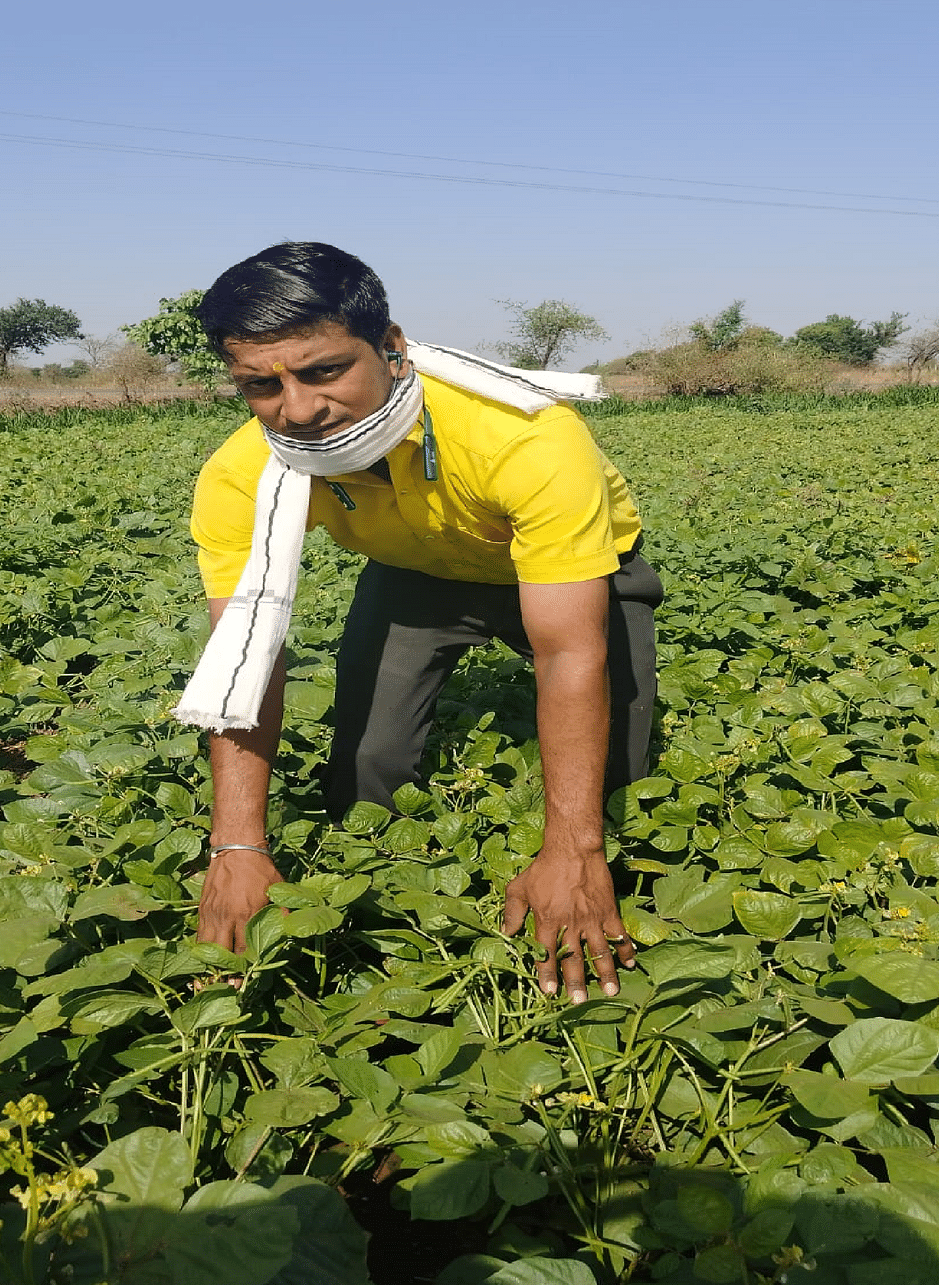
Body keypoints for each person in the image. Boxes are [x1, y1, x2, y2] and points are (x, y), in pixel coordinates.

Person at [176, 242, 663, 1003]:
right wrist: (236, 843)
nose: (298, 408)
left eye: (323, 369)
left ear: (392, 348)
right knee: (364, 780)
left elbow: (570, 652)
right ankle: (390, 934)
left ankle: (580, 870)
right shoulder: (244, 474)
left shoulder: (527, 437)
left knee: (619, 781)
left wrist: (574, 845)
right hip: (417, 575)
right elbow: (245, 657)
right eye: (260, 384)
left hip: (577, 574)